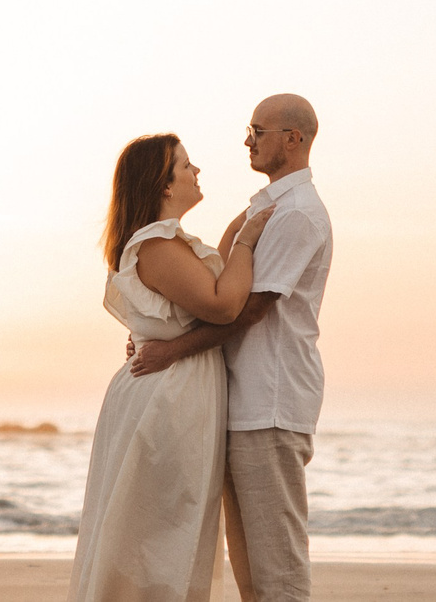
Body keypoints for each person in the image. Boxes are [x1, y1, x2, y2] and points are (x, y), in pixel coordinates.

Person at [130, 95, 331, 602]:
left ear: (293, 139)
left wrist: (169, 352)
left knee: (277, 571)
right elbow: (212, 295)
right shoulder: (264, 207)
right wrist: (157, 331)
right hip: (243, 402)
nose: (247, 140)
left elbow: (249, 308)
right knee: (251, 571)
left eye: (257, 131)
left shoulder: (297, 214)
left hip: (272, 400)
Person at [70, 133, 272, 602]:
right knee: (157, 534)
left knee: (168, 529)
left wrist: (241, 230)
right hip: (167, 397)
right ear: (162, 184)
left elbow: (213, 284)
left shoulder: (172, 243)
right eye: (185, 165)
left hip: (177, 388)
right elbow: (223, 305)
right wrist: (246, 240)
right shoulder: (157, 246)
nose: (196, 171)